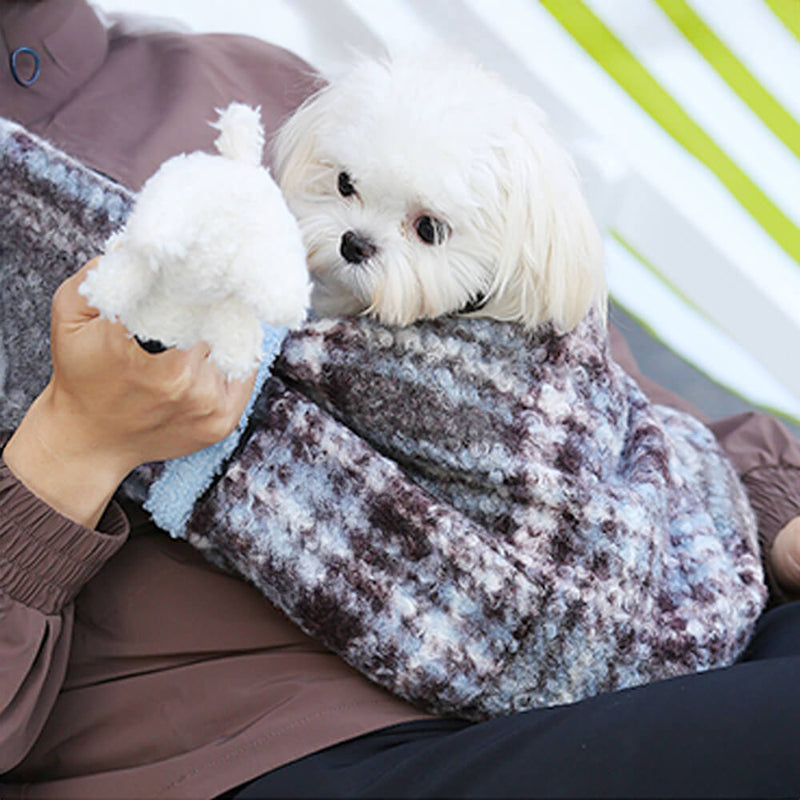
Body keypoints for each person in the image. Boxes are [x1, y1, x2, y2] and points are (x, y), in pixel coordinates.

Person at [2, 2, 800, 797]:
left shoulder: (247, 74)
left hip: (649, 615)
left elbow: (593, 391)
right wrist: (74, 445)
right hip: (266, 747)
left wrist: (776, 500)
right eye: (344, 189)